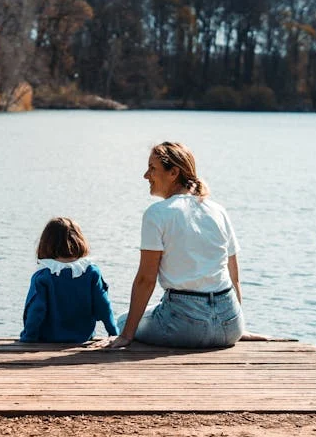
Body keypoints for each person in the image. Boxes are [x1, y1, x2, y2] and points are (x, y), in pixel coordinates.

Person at [102, 141, 245, 349]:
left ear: (173, 172)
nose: (146, 175)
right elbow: (234, 275)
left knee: (122, 320)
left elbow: (145, 279)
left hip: (186, 327)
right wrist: (238, 327)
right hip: (230, 325)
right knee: (153, 310)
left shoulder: (157, 213)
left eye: (152, 168)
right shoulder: (218, 210)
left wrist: (126, 335)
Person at [20, 217, 118, 343]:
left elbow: (37, 310)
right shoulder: (91, 271)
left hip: (48, 339)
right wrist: (113, 333)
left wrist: (29, 337)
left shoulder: (43, 275)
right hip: (82, 337)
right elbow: (103, 306)